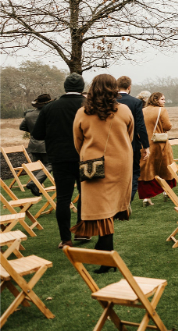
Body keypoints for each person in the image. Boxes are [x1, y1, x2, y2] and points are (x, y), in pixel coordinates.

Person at [72, 74, 134, 273]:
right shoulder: (124, 110)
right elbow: (130, 135)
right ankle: (105, 249)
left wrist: (89, 152)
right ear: (113, 89)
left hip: (93, 165)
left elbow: (77, 141)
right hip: (121, 164)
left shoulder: (83, 112)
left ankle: (105, 252)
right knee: (108, 207)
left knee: (100, 208)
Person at [31, 74, 87, 248]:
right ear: (82, 87)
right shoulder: (88, 106)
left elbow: (38, 134)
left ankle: (66, 239)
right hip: (86, 156)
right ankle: (82, 233)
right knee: (87, 195)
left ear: (64, 87)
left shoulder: (50, 108)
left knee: (63, 198)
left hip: (59, 157)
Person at [138, 92, 175, 207]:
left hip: (145, 144)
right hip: (160, 144)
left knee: (147, 169)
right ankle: (166, 191)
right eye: (162, 99)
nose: (164, 101)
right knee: (164, 167)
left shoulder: (143, 110)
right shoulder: (162, 110)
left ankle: (146, 197)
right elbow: (167, 126)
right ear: (156, 100)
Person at [117, 76, 150, 202]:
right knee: (134, 172)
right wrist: (146, 146)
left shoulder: (109, 101)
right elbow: (141, 126)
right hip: (132, 142)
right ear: (129, 87)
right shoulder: (135, 102)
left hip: (113, 143)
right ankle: (126, 201)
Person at [21, 94, 51, 194]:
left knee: (37, 166)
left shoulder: (28, 115)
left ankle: (36, 188)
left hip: (33, 143)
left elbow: (22, 127)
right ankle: (35, 183)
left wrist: (32, 130)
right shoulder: (48, 114)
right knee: (51, 164)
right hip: (45, 144)